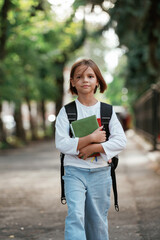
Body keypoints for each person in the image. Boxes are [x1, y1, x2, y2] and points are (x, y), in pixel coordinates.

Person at [55, 59, 127, 240]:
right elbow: (61, 143)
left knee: (97, 220)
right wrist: (90, 138)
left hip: (101, 173)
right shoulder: (67, 112)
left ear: (97, 81)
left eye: (90, 76)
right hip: (74, 172)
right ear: (72, 82)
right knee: (75, 216)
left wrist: (95, 147)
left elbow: (120, 141)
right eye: (79, 77)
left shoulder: (106, 111)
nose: (84, 80)